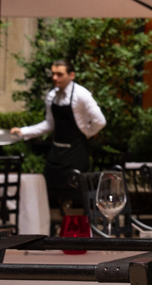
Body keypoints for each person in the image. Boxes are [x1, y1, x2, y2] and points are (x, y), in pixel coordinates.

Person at [11, 60, 105, 209]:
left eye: (59, 74)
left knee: (75, 194)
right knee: (50, 191)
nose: (55, 77)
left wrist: (86, 133)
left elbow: (100, 121)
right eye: (53, 74)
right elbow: (49, 124)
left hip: (75, 152)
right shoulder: (52, 95)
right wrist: (24, 131)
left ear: (71, 75)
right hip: (56, 152)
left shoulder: (81, 95)